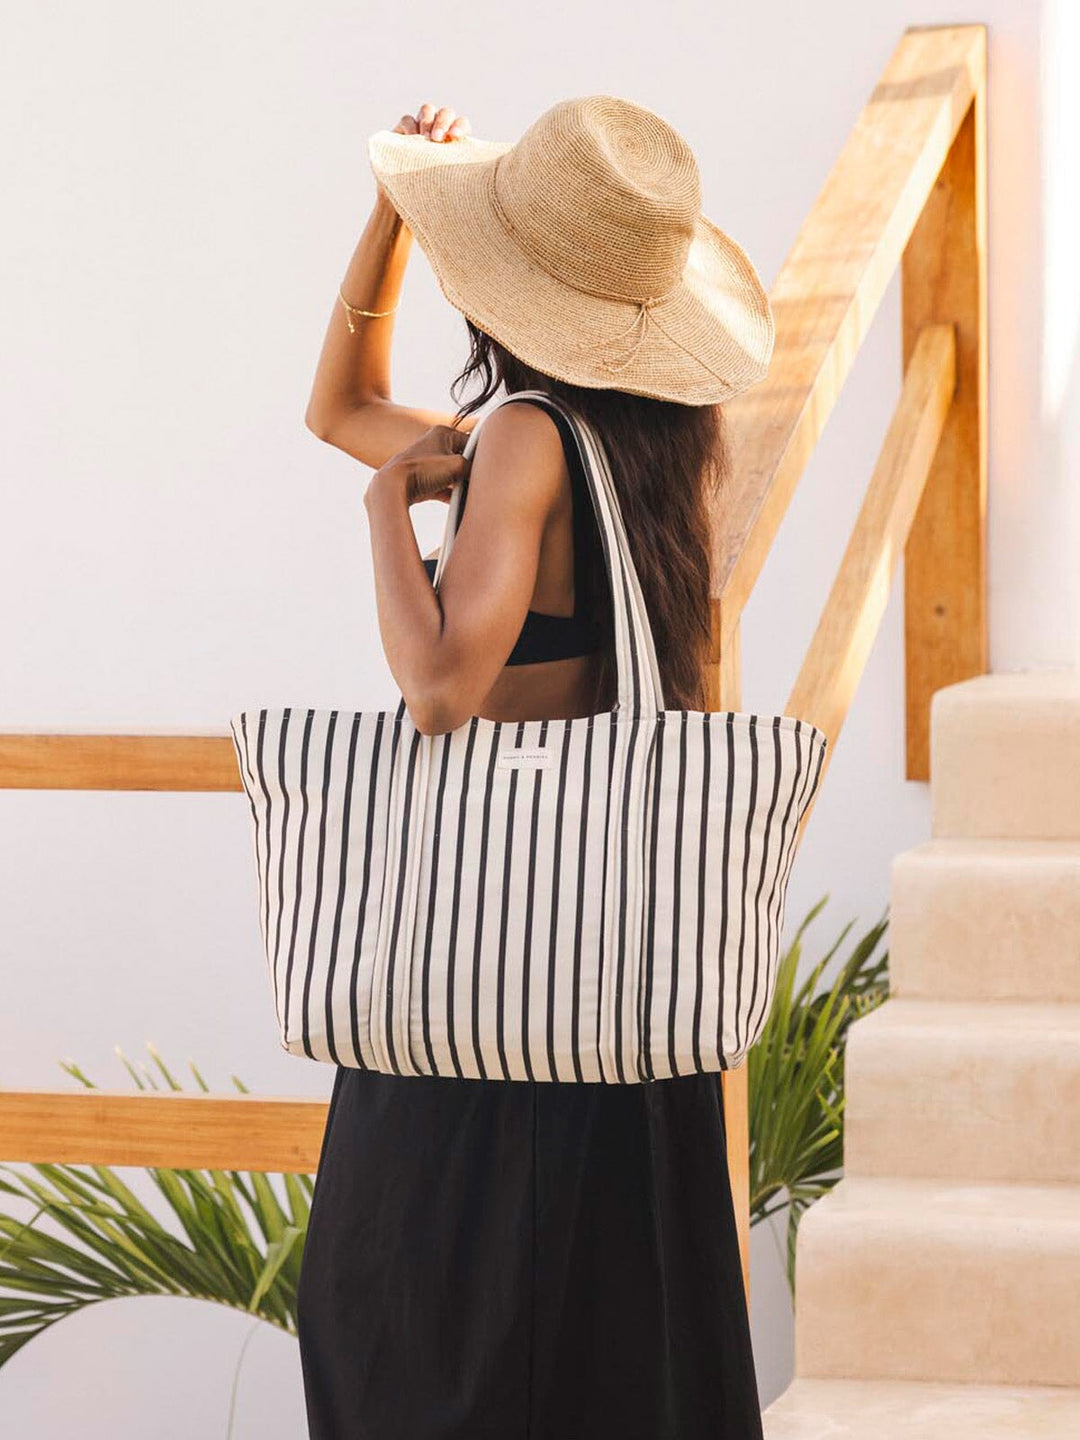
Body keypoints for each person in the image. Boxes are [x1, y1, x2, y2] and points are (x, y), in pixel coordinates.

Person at [295, 94, 775, 1440]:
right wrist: (392, 209)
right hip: (602, 965)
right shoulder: (645, 444)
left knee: (409, 1318)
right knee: (597, 1348)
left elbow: (442, 686)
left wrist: (390, 516)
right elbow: (338, 403)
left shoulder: (519, 437)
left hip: (477, 964)